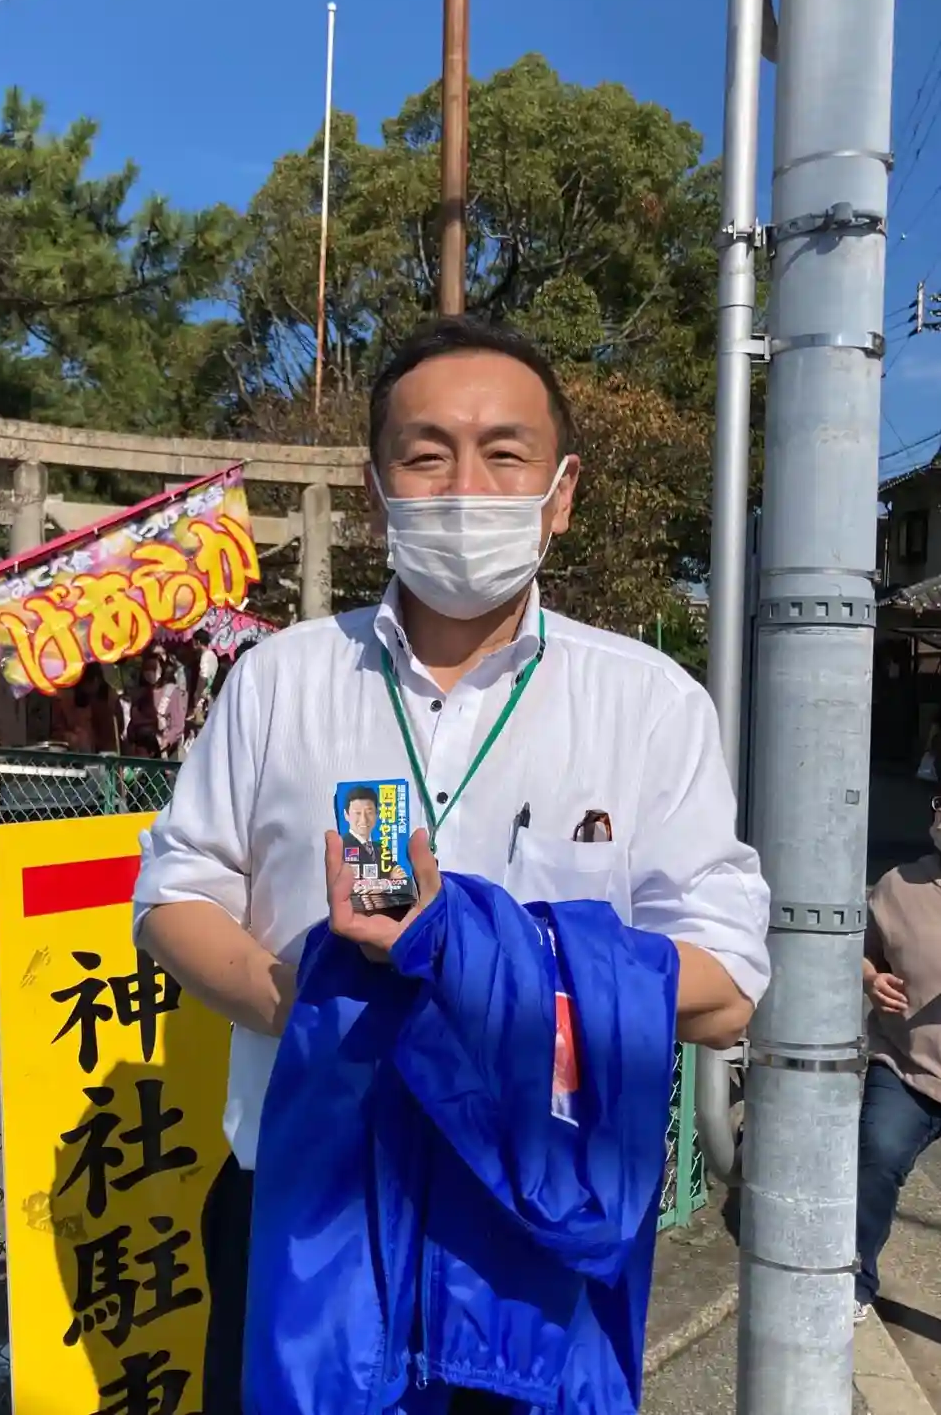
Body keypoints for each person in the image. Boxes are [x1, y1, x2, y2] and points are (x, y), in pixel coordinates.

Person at [133, 316, 771, 1412]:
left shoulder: (648, 704)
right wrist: (312, 1002)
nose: (467, 486)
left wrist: (490, 971)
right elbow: (174, 893)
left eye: (505, 453)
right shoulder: (281, 680)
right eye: (427, 454)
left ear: (561, 493)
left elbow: (726, 984)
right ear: (376, 489)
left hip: (535, 1225)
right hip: (306, 1210)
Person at [854, 794, 941, 1323]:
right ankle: (855, 1282)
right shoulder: (898, 886)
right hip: (906, 1066)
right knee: (878, 1154)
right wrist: (870, 978)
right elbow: (860, 951)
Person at [125, 646, 187, 759]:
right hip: (141, 752)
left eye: (154, 669)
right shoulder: (140, 693)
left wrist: (166, 740)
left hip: (165, 753)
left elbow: (178, 726)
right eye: (147, 669)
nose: (150, 673)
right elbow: (132, 722)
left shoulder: (172, 692)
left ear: (162, 669)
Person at [50, 664, 123, 753]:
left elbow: (116, 728)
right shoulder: (66, 698)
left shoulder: (108, 699)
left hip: (106, 748)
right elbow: (57, 728)